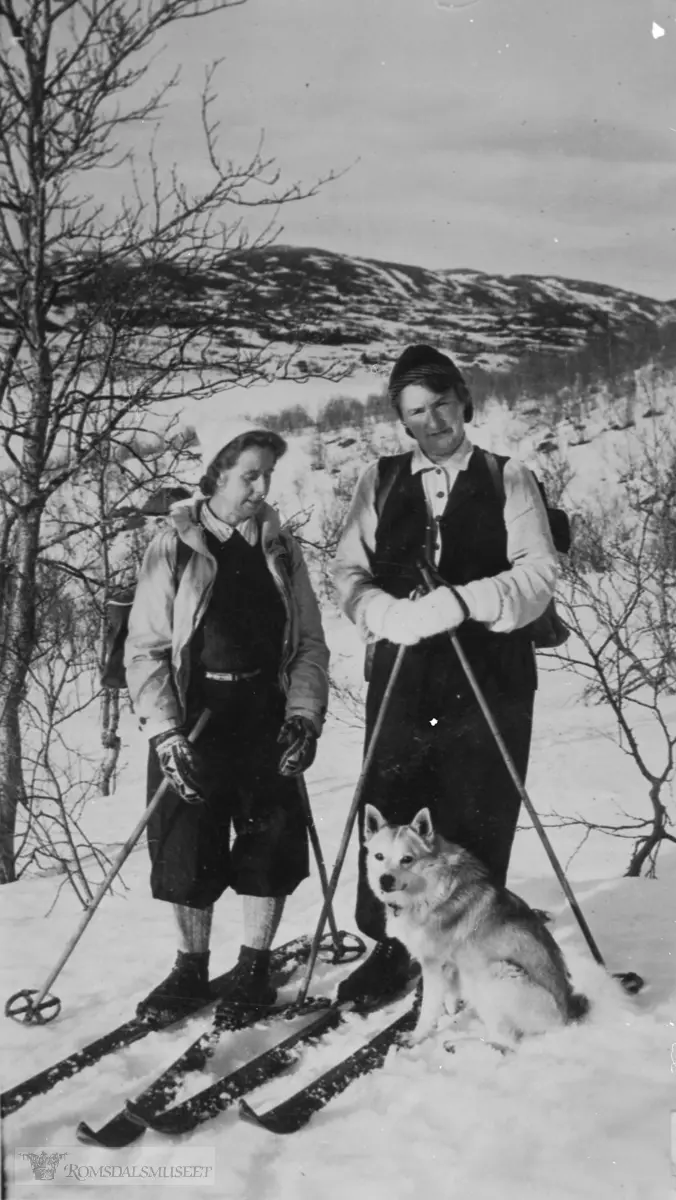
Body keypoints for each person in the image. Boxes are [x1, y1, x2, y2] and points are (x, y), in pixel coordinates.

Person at [332, 344, 559, 1009]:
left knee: (475, 808)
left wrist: (464, 600)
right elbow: (349, 572)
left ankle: (470, 950)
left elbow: (539, 575)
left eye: (440, 405)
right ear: (401, 421)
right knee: (395, 809)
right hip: (405, 668)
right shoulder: (378, 481)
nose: (432, 422)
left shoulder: (508, 477)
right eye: (415, 412)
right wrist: (384, 613)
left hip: (489, 670)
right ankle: (392, 949)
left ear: (464, 400)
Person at [124, 422, 329, 1025]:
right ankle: (190, 968)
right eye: (249, 475)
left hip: (264, 713)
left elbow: (310, 644)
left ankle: (255, 967)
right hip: (196, 718)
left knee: (271, 840)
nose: (261, 487)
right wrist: (165, 732)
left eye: (268, 474)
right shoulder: (175, 545)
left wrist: (303, 716)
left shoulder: (280, 547)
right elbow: (147, 649)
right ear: (216, 474)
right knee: (188, 845)